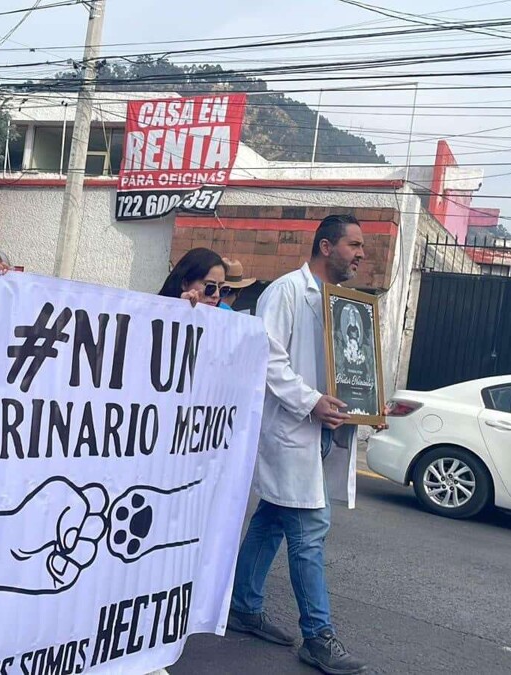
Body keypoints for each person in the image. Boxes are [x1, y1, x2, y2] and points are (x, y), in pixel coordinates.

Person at [226, 214, 371, 675]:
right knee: (309, 532)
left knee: (271, 521)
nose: (361, 254)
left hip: (321, 434)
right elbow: (266, 357)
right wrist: (309, 402)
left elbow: (349, 367)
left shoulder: (342, 303)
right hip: (290, 431)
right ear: (326, 247)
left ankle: (243, 606)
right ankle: (318, 637)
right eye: (354, 244)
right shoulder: (286, 291)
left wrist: (370, 408)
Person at [159, 247, 228, 307]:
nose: (216, 295)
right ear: (185, 284)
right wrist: (179, 307)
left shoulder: (226, 317)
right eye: (210, 287)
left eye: (222, 289)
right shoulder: (154, 310)